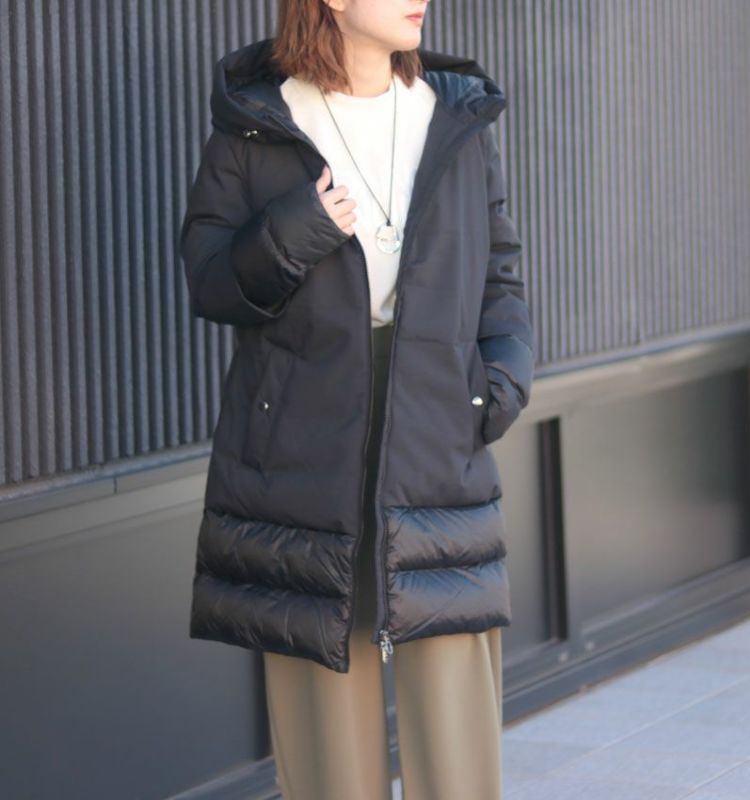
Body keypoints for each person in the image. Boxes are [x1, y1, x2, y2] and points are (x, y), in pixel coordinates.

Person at [179, 1, 534, 798]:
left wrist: (497, 388)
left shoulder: (455, 117)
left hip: (438, 428)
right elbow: (211, 282)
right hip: (302, 443)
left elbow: (500, 275)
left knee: (454, 713)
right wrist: (295, 228)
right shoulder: (259, 123)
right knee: (325, 717)